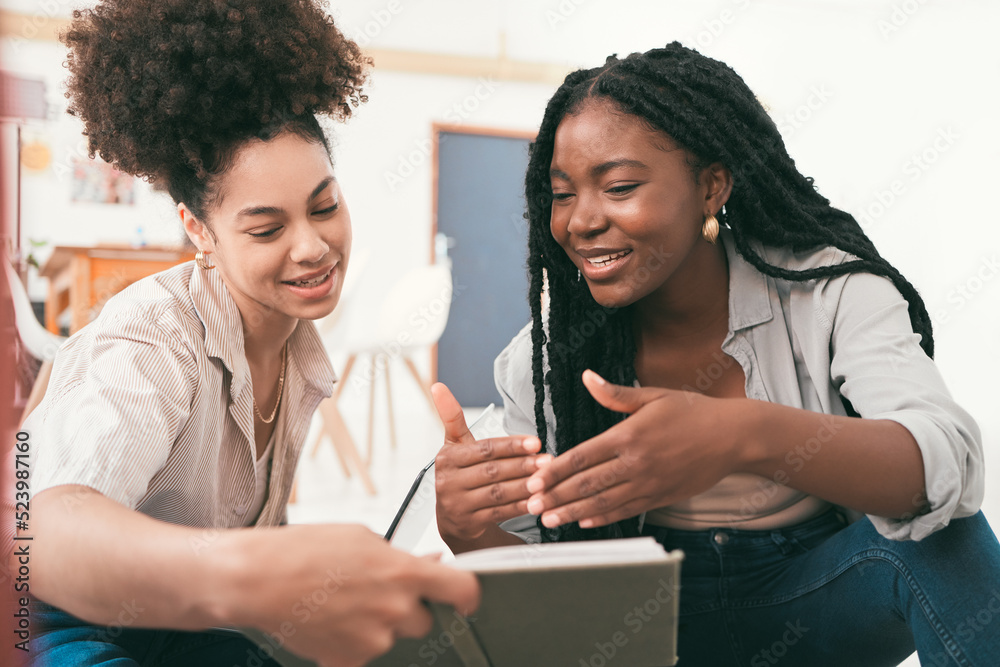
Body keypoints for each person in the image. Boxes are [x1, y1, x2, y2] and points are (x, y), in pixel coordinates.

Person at [431, 42, 1000, 666]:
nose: (580, 221)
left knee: (948, 535)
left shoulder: (831, 295)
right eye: (561, 195)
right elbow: (546, 600)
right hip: (647, 633)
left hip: (814, 607)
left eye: (619, 186)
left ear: (711, 187)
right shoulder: (547, 358)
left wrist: (743, 434)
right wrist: (468, 530)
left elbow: (950, 464)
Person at [20, 2, 479, 666]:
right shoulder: (152, 339)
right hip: (57, 623)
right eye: (267, 229)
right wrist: (254, 574)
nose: (313, 247)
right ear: (198, 230)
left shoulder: (297, 350)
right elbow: (42, 534)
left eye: (325, 205)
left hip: (179, 626)